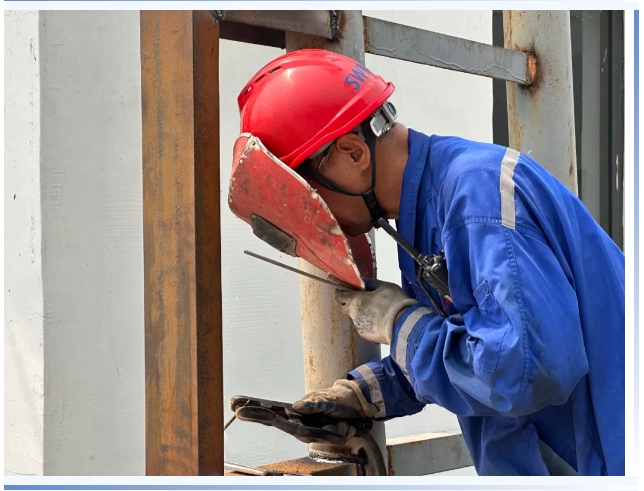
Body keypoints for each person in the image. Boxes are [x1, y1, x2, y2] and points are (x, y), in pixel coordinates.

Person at [234, 48, 625, 476]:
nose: (314, 215)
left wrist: (398, 322)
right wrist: (370, 392)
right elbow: (473, 348)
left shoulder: (476, 200)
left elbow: (527, 372)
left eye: (307, 194)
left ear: (353, 153)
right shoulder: (428, 211)